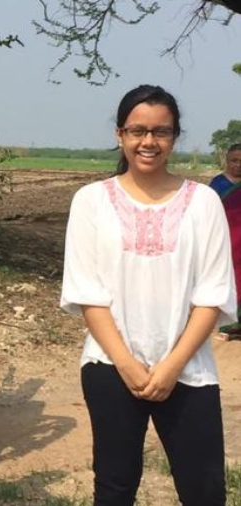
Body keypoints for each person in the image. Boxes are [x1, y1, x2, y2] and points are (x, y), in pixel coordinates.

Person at [60, 85, 235, 505]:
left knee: (205, 488)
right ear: (120, 135)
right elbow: (89, 293)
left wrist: (172, 365)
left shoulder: (204, 203)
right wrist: (127, 363)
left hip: (188, 368)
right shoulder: (91, 202)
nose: (148, 142)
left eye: (161, 131)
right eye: (138, 130)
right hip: (111, 366)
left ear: (175, 137)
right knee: (115, 486)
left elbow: (212, 293)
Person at [210, 143, 241, 338]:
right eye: (234, 160)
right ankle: (228, 323)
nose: (238, 165)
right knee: (227, 278)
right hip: (225, 240)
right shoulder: (218, 184)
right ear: (227, 161)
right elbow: (208, 213)